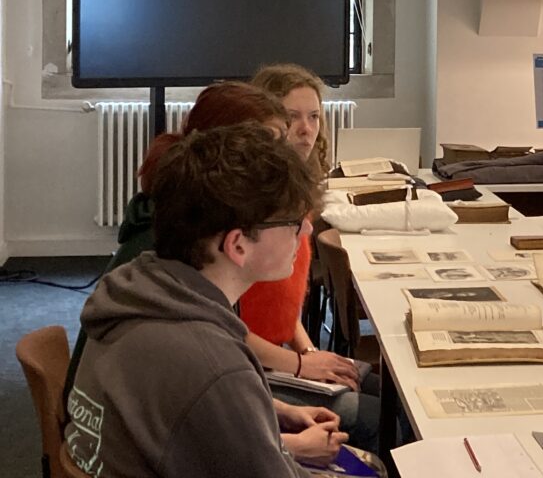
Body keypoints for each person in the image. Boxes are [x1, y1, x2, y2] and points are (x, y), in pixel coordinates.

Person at [65, 82, 351, 466]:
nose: (305, 232)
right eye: (291, 222)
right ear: (237, 245)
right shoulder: (215, 364)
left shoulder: (143, 283)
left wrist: (270, 415)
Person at [246, 63, 380, 452]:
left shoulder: (298, 188)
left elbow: (282, 305)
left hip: (278, 357)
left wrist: (308, 350)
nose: (306, 130)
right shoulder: (252, 203)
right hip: (253, 366)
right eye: (292, 118)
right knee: (376, 415)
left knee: (383, 389)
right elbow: (225, 330)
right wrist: (303, 366)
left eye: (314, 117)